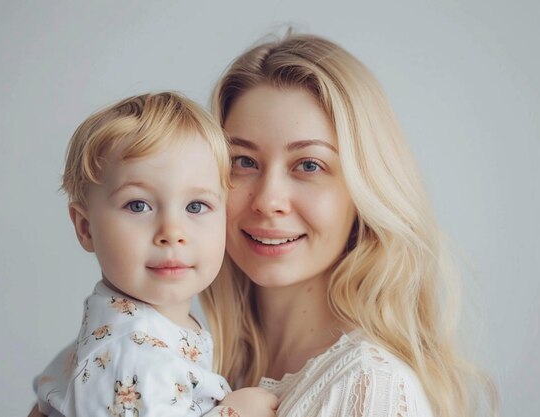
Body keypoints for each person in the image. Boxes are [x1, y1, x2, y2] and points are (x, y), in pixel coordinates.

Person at [199, 33, 497, 417]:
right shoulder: (206, 366)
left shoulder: (370, 389)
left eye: (309, 165)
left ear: (362, 192)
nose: (269, 200)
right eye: (243, 161)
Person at [31, 92, 278, 417]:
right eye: (138, 205)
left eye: (196, 206)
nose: (172, 232)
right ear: (86, 227)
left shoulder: (143, 330)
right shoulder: (130, 355)